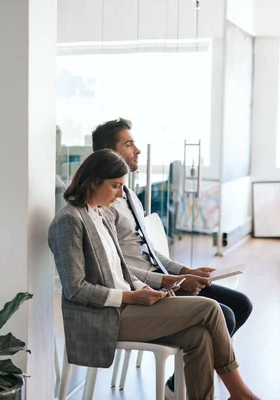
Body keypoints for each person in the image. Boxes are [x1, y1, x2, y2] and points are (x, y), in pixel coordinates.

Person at [49, 149, 259, 400]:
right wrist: (130, 297)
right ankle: (241, 394)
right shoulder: (68, 221)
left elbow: (121, 269)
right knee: (211, 309)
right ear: (93, 182)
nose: (120, 193)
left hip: (129, 305)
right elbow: (76, 289)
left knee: (199, 337)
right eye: (115, 186)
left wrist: (142, 288)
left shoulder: (101, 213)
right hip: (106, 317)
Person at [91, 118, 253, 397]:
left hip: (165, 279)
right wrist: (171, 280)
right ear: (109, 152)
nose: (137, 150)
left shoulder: (129, 195)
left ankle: (178, 386)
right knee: (222, 315)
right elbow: (117, 267)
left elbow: (152, 252)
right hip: (146, 288)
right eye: (128, 144)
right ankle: (193, 388)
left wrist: (186, 271)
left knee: (241, 305)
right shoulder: (103, 205)